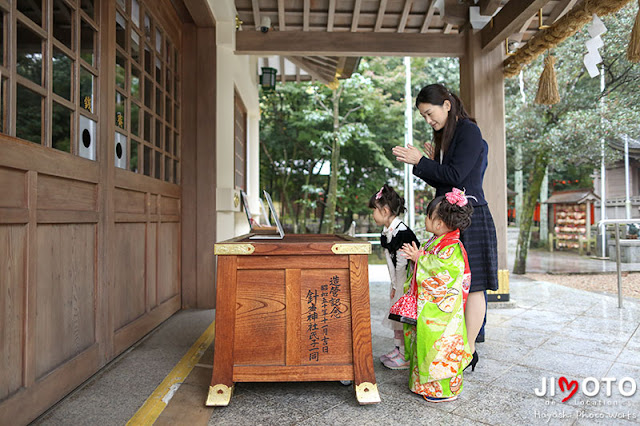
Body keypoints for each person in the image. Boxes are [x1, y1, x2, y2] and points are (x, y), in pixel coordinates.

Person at [392, 83, 498, 368]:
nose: (429, 120)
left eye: (430, 113)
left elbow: (456, 176)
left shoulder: (468, 131)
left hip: (472, 217)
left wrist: (422, 161)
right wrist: (432, 160)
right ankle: (455, 346)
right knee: (452, 286)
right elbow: (446, 181)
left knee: (473, 287)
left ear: (447, 105)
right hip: (455, 217)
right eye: (424, 117)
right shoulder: (450, 137)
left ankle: (468, 350)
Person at [398, 190, 474, 402]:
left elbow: (444, 272)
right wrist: (418, 259)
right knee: (423, 341)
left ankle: (444, 390)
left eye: (429, 216)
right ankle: (424, 385)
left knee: (440, 346)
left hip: (443, 314)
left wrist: (420, 258)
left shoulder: (452, 247)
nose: (425, 219)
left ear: (439, 223)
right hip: (431, 307)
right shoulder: (436, 241)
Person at [369, 184, 419, 370]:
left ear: (385, 210)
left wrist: (399, 287)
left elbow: (402, 264)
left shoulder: (402, 233)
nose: (373, 214)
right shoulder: (388, 231)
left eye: (374, 210)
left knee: (402, 316)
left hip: (407, 282)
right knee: (396, 315)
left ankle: (405, 354)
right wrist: (393, 285)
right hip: (399, 283)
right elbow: (390, 262)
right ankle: (398, 349)